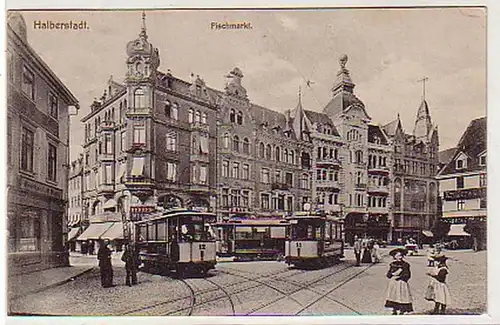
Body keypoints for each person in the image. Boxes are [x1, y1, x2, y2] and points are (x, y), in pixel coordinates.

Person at [384, 248, 414, 315]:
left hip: (401, 283)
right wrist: (391, 274)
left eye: (401, 255)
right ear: (394, 256)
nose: (400, 257)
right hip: (393, 283)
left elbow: (408, 275)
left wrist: (400, 277)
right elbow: (388, 275)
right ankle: (394, 310)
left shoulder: (405, 265)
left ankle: (402, 310)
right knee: (394, 296)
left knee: (402, 296)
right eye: (398, 256)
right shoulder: (392, 264)